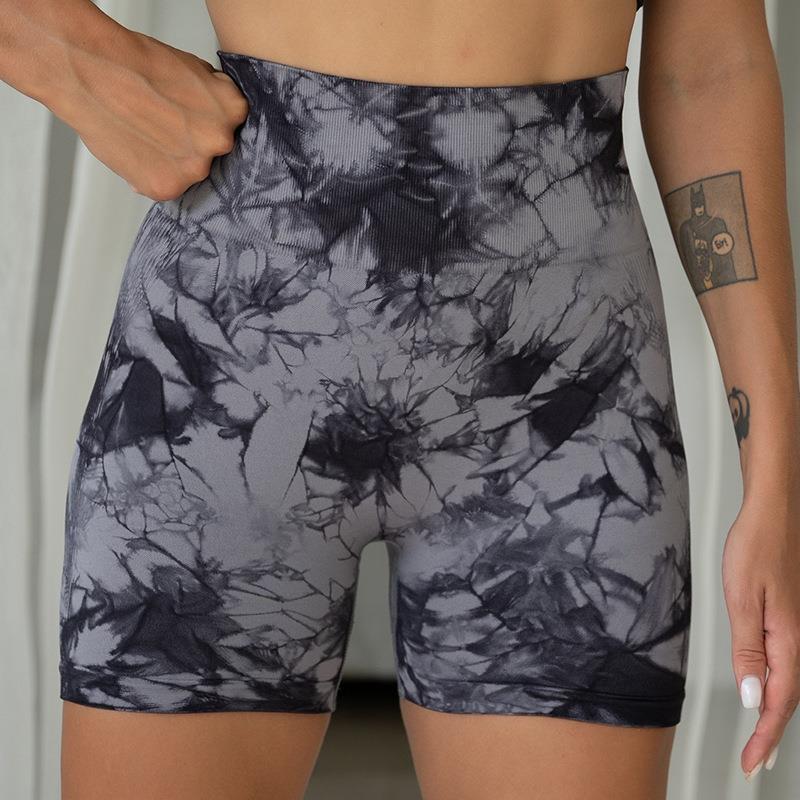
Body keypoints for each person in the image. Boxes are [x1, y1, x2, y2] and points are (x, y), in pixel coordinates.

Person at [2, 0, 799, 797]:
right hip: (228, 378)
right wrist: (71, 57)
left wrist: (776, 480)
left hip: (565, 408)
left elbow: (708, 70)